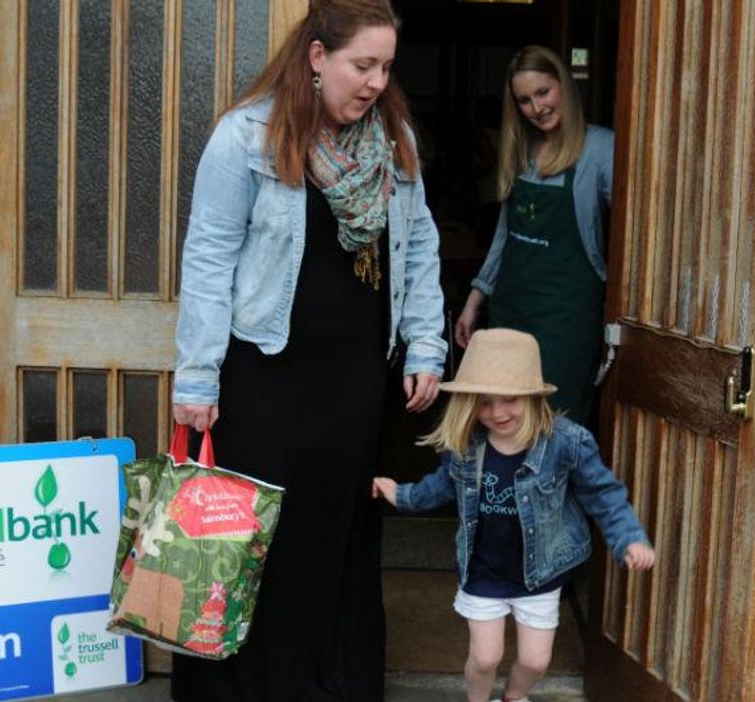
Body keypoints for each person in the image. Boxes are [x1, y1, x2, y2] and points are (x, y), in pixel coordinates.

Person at [169, 1, 447, 699]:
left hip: (354, 378)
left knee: (337, 534)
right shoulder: (246, 138)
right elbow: (207, 258)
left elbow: (417, 249)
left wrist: (425, 344)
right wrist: (197, 376)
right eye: (362, 65)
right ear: (317, 56)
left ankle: (329, 682)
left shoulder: (394, 139)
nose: (376, 81)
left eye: (385, 67)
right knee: (258, 536)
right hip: (267, 374)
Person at [372, 329, 654, 702]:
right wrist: (401, 495)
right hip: (484, 571)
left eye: (510, 400)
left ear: (533, 397)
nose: (497, 413)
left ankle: (513, 696)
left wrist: (628, 537)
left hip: (540, 573)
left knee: (536, 660)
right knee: (486, 657)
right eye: (484, 403)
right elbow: (441, 487)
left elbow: (603, 495)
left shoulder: (566, 442)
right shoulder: (468, 444)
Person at [453, 46, 614, 428]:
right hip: (512, 309)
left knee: (555, 424)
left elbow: (636, 226)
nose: (537, 107)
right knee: (503, 421)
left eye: (543, 92)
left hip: (568, 317)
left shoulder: (601, 149)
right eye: (524, 100)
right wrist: (476, 297)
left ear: (564, 85)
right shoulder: (523, 149)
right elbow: (504, 235)